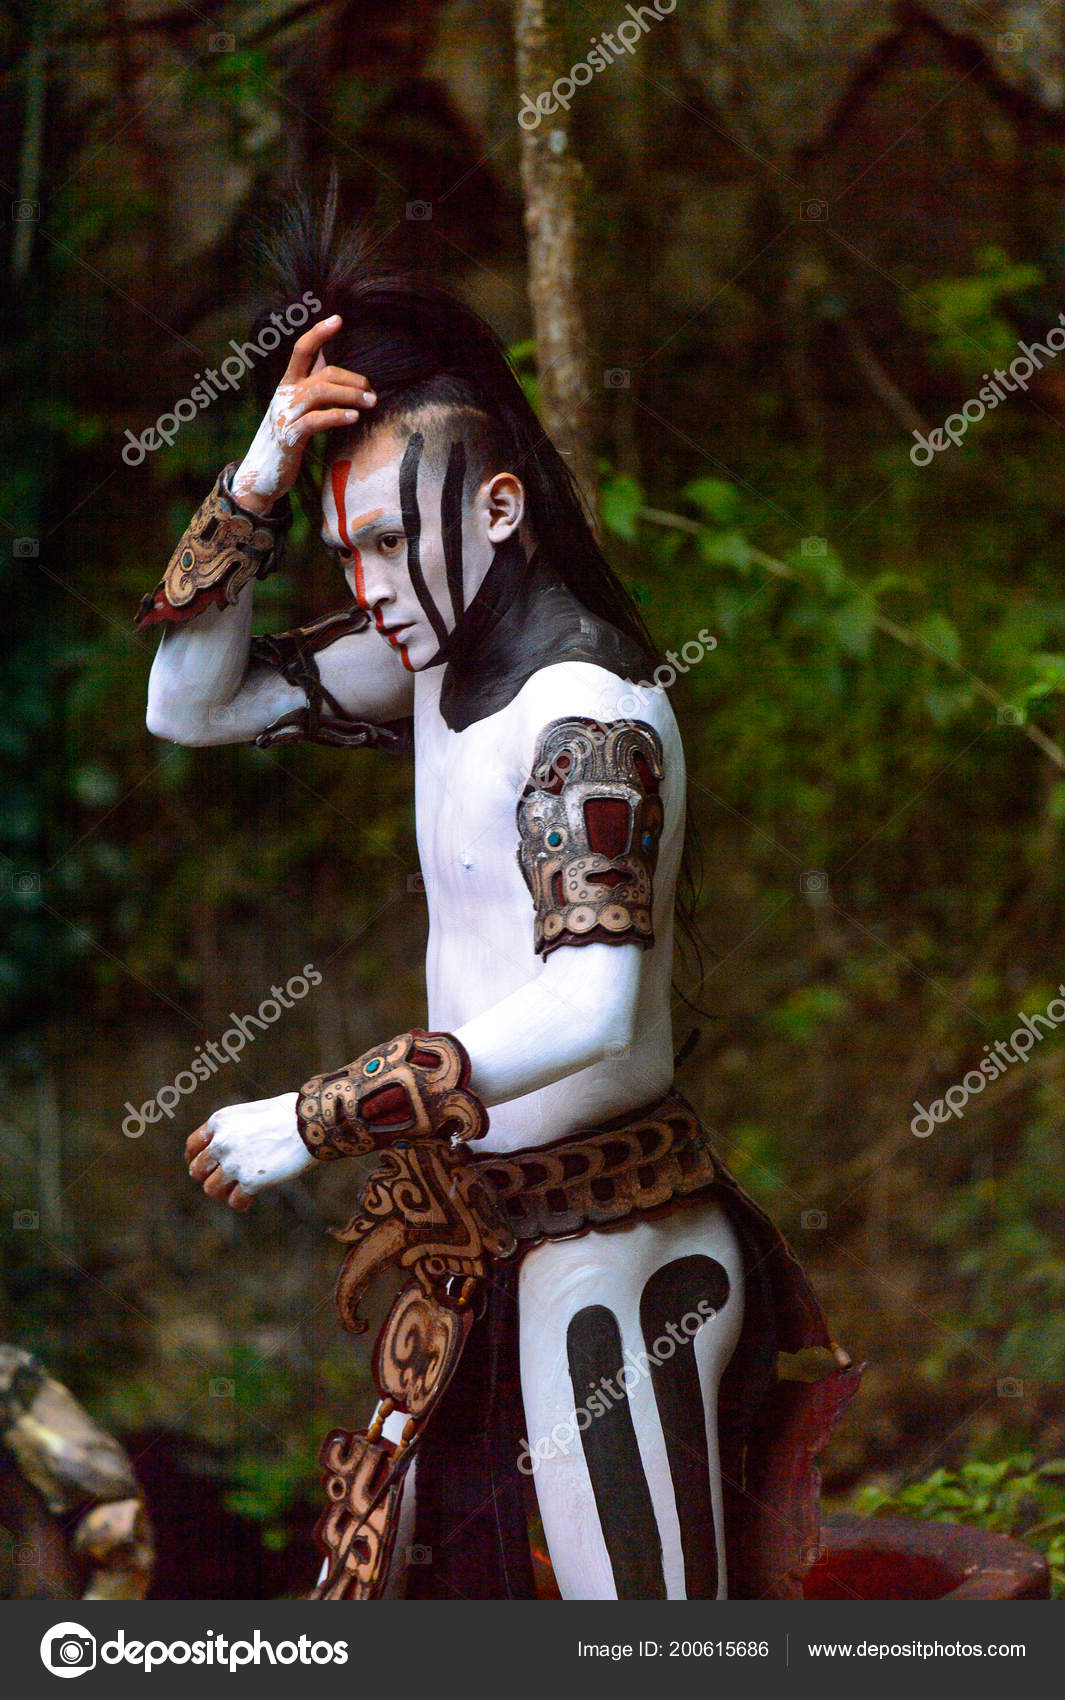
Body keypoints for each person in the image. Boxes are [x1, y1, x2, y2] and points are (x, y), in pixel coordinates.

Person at [140, 188, 856, 1601]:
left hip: (617, 1255)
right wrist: (261, 467)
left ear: (501, 506)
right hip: (480, 1247)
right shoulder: (424, 671)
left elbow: (592, 1001)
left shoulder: (587, 713)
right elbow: (187, 706)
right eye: (347, 553)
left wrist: (314, 1116)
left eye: (389, 545)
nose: (369, 586)